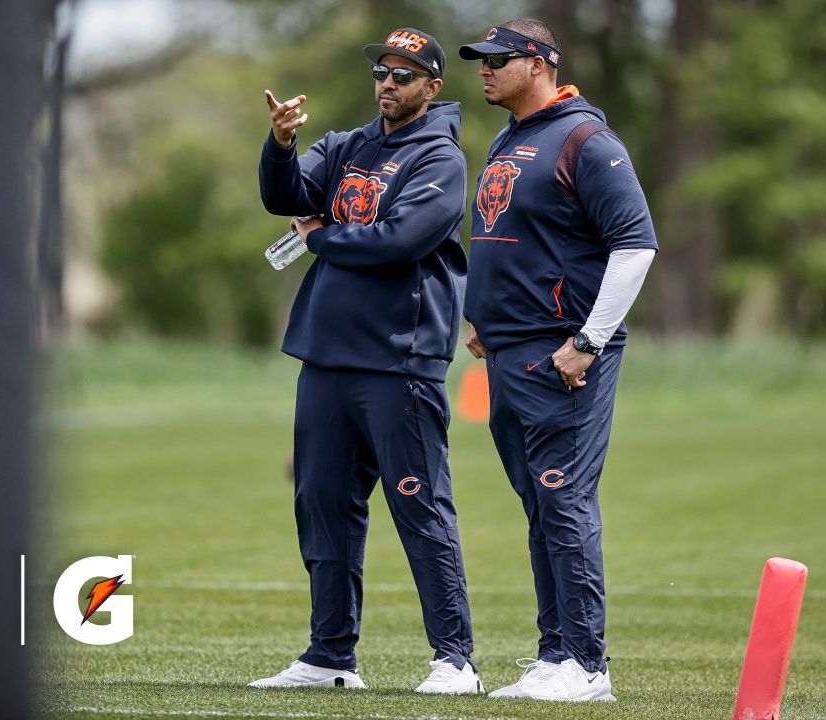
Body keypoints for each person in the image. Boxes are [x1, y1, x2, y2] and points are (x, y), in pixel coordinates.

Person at [249, 27, 481, 695]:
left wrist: (323, 237)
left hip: (398, 360)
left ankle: (455, 660)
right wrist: (283, 144)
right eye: (382, 71)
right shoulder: (349, 145)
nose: (388, 83)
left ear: (432, 87)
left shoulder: (440, 156)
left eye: (404, 75)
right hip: (326, 355)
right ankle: (329, 655)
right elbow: (285, 197)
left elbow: (402, 239)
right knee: (322, 501)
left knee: (419, 503)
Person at [457, 19, 658, 703]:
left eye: (496, 60)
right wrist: (487, 316)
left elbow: (635, 246)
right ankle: (554, 655)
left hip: (562, 355)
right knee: (540, 504)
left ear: (540, 64)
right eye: (479, 61)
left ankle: (588, 667)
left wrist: (587, 342)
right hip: (510, 353)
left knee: (563, 497)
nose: (483, 70)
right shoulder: (512, 137)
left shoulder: (587, 139)